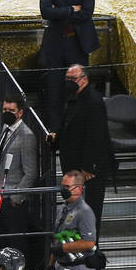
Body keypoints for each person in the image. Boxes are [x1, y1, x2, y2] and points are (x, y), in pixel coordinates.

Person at [40, 0, 98, 131]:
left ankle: (79, 130)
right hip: (55, 45)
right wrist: (72, 9)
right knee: (54, 91)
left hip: (77, 44)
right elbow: (45, 11)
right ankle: (55, 132)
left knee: (78, 90)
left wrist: (59, 12)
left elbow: (87, 14)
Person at [50, 65, 110, 230]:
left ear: (84, 79)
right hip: (73, 165)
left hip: (88, 171)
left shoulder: (93, 101)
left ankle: (90, 250)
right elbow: (67, 125)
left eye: (73, 79)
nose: (69, 82)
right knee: (73, 211)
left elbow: (97, 136)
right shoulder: (71, 97)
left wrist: (88, 166)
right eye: (67, 79)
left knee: (90, 212)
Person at [0, 94, 39, 263]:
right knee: (3, 240)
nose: (7, 113)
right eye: (4, 109)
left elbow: (31, 172)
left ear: (20, 113)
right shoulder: (5, 129)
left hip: (13, 198)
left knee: (15, 241)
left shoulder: (26, 135)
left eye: (11, 110)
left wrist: (16, 198)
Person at [50, 170, 100, 270]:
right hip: (62, 266)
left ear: (78, 188)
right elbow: (57, 238)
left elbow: (89, 242)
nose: (63, 190)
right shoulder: (62, 209)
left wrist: (63, 249)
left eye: (67, 187)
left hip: (80, 268)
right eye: (62, 186)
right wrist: (51, 265)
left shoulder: (85, 212)